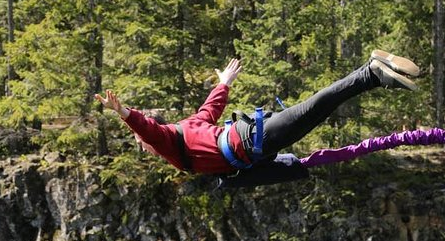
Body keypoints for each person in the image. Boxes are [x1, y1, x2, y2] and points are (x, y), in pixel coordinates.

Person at [95, 50, 419, 185]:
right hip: (253, 139)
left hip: (252, 139)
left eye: (144, 144)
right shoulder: (187, 129)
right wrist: (224, 83)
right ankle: (373, 72)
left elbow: (148, 129)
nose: (146, 147)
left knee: (317, 107)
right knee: (315, 110)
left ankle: (373, 73)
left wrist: (124, 113)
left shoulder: (168, 142)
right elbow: (211, 108)